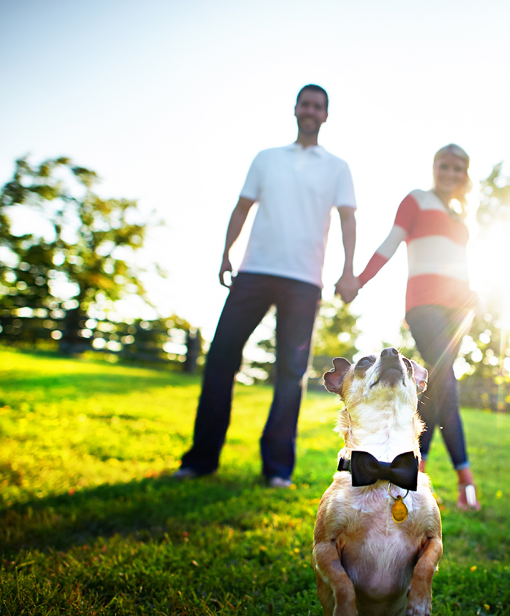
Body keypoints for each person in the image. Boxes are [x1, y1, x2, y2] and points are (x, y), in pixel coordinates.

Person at [175, 84, 360, 487]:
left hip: (304, 280)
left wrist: (348, 270)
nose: (310, 110)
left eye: (318, 106)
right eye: (305, 104)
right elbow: (242, 207)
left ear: (326, 115)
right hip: (254, 271)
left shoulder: (337, 167)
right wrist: (226, 252)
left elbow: (348, 219)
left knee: (291, 372)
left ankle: (277, 469)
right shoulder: (266, 159)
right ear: (295, 109)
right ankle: (200, 459)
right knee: (221, 357)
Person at [356, 144, 481, 510]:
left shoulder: (461, 219)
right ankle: (463, 480)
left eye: (458, 168)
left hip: (458, 309)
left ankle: (416, 474)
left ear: (465, 176)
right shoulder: (416, 200)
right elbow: (390, 244)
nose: (451, 173)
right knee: (444, 380)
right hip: (423, 303)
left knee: (440, 385)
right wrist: (359, 280)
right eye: (445, 165)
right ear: (434, 168)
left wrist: (475, 300)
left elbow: (462, 267)